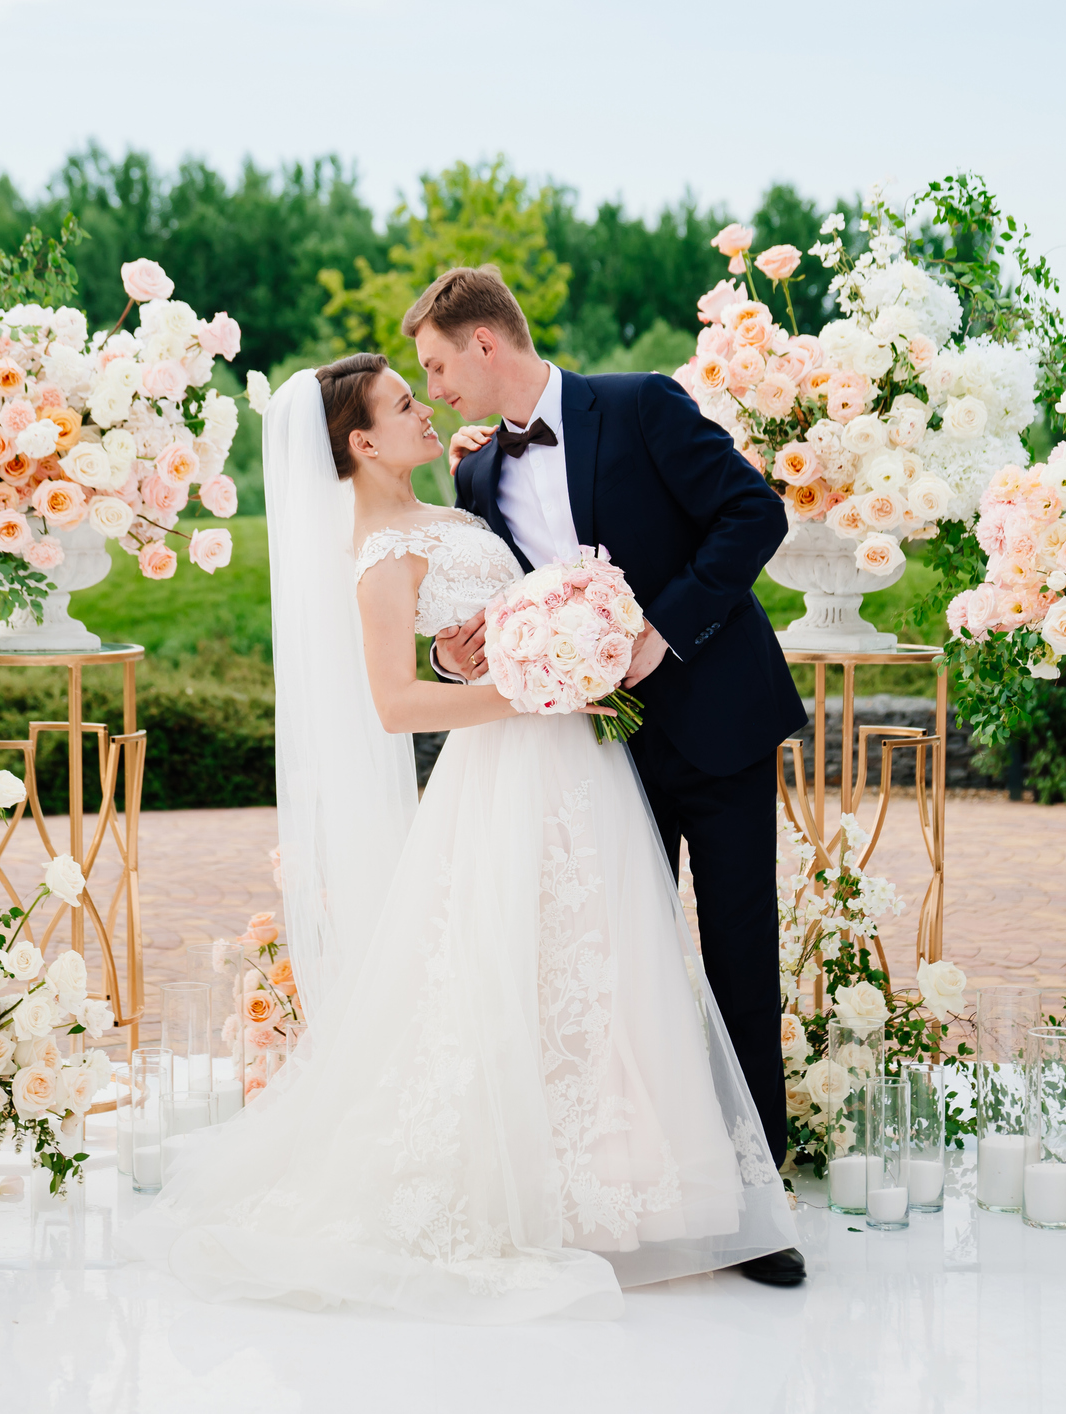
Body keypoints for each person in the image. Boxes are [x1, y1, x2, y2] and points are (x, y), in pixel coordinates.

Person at [122, 351, 800, 1323]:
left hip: (582, 761)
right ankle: (539, 1183)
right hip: (511, 763)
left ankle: (644, 1180)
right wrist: (529, 685)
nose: (428, 408)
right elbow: (398, 704)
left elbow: (500, 606)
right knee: (509, 972)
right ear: (360, 441)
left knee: (606, 966)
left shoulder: (461, 489)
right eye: (406, 402)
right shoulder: (376, 550)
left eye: (428, 382)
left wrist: (509, 646)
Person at [417, 266, 808, 1288]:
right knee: (625, 972)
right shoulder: (472, 479)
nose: (436, 385)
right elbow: (499, 611)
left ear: (485, 343)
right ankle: (649, 1185)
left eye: (437, 363)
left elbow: (752, 516)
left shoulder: (637, 405)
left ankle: (760, 1214)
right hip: (595, 757)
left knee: (738, 957)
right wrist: (461, 657)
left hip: (717, 723)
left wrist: (662, 630)